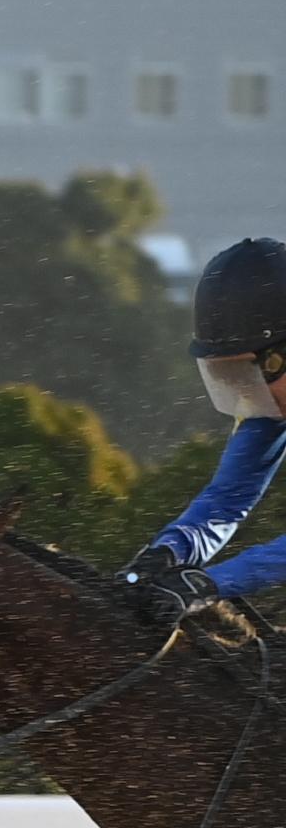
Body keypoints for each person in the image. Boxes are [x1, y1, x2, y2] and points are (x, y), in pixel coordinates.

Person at [122, 235, 286, 625]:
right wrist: (166, 553)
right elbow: (226, 501)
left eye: (251, 372)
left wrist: (211, 583)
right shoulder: (268, 406)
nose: (247, 392)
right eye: (229, 375)